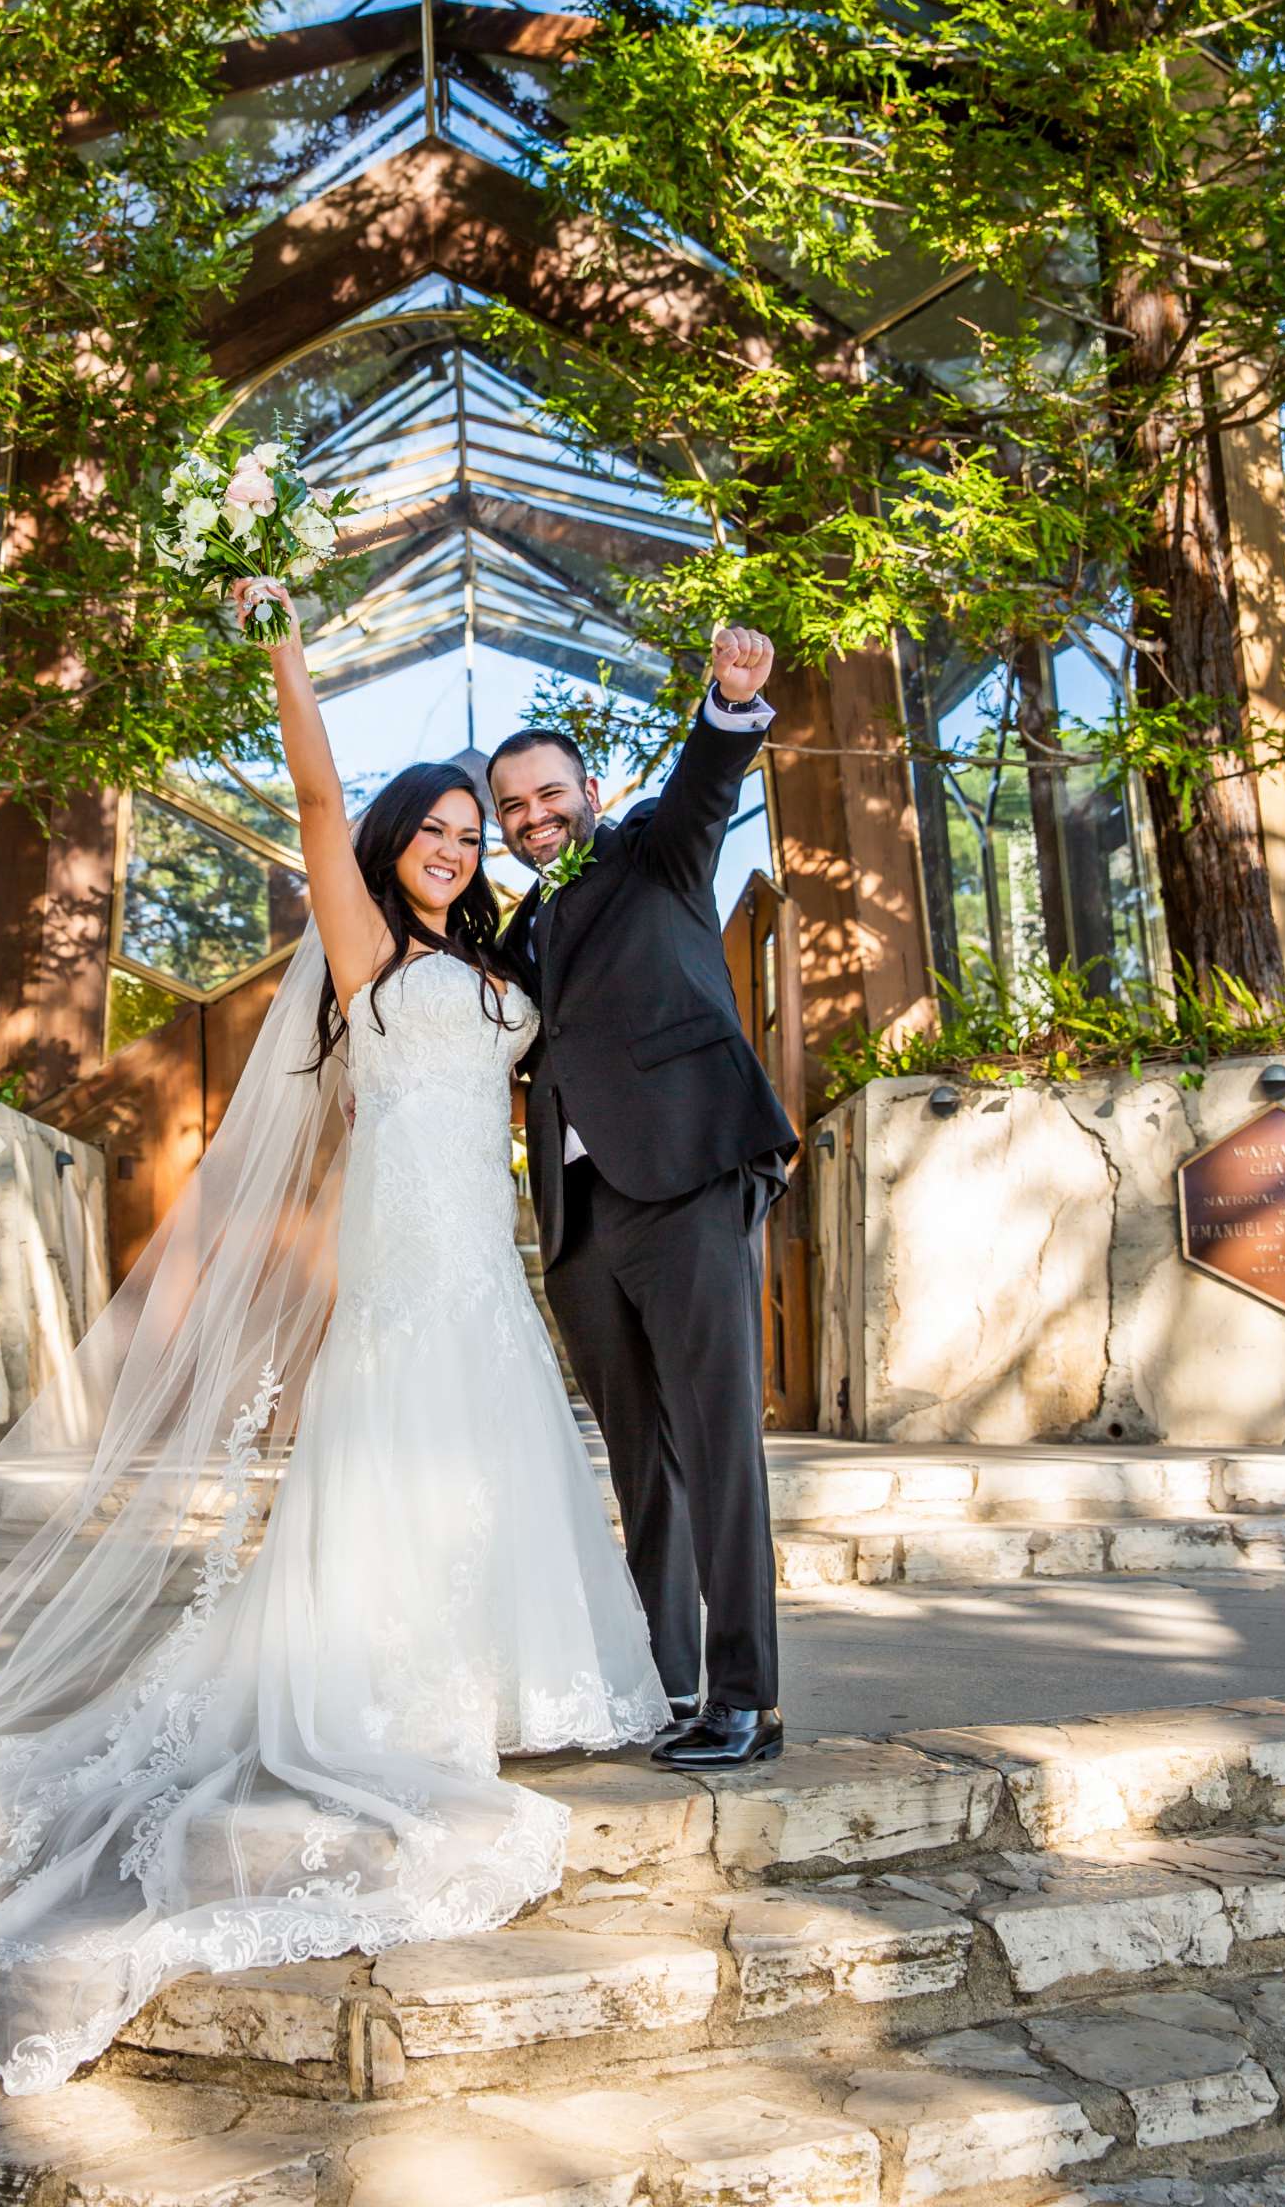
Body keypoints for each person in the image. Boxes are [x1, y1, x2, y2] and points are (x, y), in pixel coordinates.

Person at [0, 606, 664, 2097]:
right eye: (443, 830)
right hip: (407, 1257)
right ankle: (401, 1692)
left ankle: (515, 1687)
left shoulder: (500, 960)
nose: (460, 849)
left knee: (501, 1439)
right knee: (410, 1426)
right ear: (401, 839)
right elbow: (322, 801)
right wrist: (283, 647)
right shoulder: (365, 944)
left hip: (489, 1252)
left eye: (478, 835)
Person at [491, 625, 799, 1772]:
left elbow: (708, 779)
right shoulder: (522, 932)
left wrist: (728, 700)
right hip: (577, 1223)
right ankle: (665, 1681)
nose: (532, 818)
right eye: (511, 808)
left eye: (547, 794)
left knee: (718, 1446)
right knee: (640, 1463)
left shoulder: (656, 854)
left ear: (590, 791)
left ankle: (744, 1700)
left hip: (685, 1178)